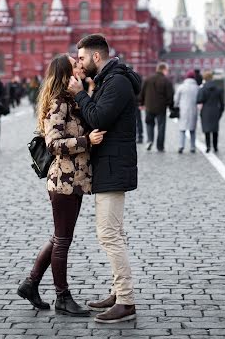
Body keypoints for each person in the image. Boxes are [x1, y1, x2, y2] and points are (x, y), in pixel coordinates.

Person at [18, 54, 100, 316]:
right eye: (75, 64)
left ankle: (31, 284)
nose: (81, 66)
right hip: (63, 181)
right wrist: (87, 141)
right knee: (63, 240)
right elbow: (54, 144)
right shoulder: (58, 103)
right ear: (66, 73)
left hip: (73, 181)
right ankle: (62, 297)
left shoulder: (71, 100)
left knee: (59, 237)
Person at [68, 34, 140, 324]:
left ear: (97, 56)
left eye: (82, 57)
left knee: (108, 234)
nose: (81, 62)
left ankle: (125, 301)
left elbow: (98, 118)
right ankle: (116, 291)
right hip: (109, 165)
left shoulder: (117, 82)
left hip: (113, 167)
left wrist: (79, 94)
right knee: (116, 232)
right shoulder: (109, 80)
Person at [139, 62, 174, 152]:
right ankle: (160, 146)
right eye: (167, 70)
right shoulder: (166, 81)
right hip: (161, 108)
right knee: (161, 127)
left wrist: (141, 103)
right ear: (164, 70)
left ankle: (150, 140)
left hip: (149, 106)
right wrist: (170, 106)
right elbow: (170, 96)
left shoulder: (148, 79)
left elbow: (142, 92)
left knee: (149, 124)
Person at [197, 71, 224, 153]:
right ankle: (215, 147)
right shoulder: (218, 88)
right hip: (215, 110)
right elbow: (222, 103)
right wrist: (220, 112)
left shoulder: (203, 88)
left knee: (207, 130)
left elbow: (199, 100)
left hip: (206, 111)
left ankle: (208, 146)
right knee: (215, 129)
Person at [174, 70, 199, 154]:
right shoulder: (197, 87)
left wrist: (176, 106)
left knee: (182, 129)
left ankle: (181, 145)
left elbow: (176, 99)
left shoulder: (181, 87)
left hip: (183, 110)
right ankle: (192, 147)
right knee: (192, 130)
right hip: (193, 110)